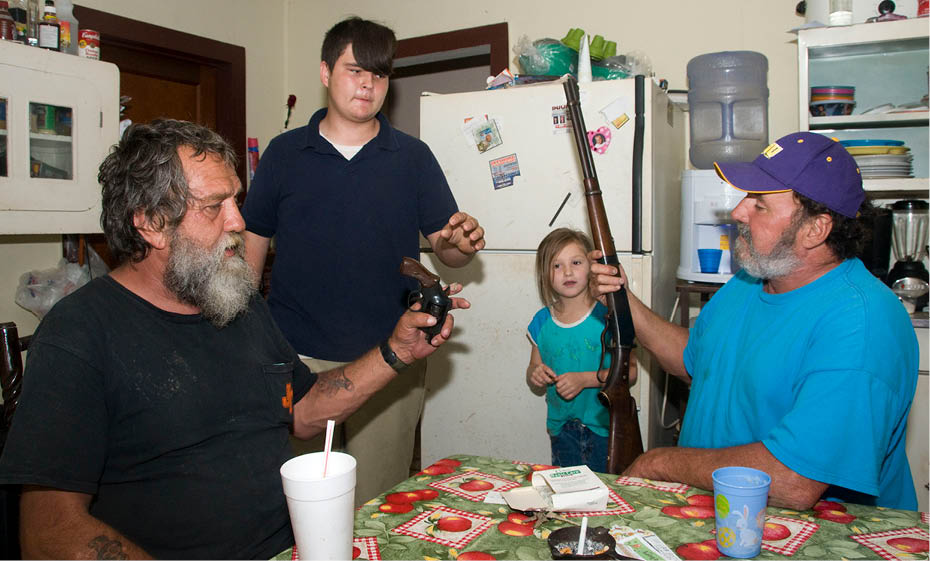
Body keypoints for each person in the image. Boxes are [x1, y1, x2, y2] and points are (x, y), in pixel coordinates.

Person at [0, 119, 469, 559]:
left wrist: (398, 350)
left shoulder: (237, 303)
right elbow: (47, 531)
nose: (238, 221)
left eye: (236, 201)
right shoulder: (79, 333)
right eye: (214, 206)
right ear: (151, 223)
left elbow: (303, 410)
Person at [591, 132, 918, 510]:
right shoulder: (752, 280)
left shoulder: (862, 324)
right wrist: (624, 301)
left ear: (816, 229)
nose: (738, 212)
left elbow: (793, 481)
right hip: (722, 515)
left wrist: (660, 463)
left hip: (822, 533)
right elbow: (697, 359)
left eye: (759, 204)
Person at [241, 16, 485, 504]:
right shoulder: (284, 154)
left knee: (378, 506)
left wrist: (461, 242)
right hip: (296, 360)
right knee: (298, 503)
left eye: (379, 73)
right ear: (326, 72)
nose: (368, 84)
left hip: (390, 359)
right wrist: (242, 338)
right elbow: (251, 248)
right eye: (355, 70)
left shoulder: (413, 158)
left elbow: (448, 250)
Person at [526, 228, 636, 473]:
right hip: (561, 430)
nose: (567, 272)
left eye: (576, 262)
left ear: (592, 267)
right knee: (567, 491)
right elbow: (533, 367)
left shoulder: (609, 316)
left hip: (605, 428)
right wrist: (536, 373)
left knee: (605, 492)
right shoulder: (541, 321)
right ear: (545, 274)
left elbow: (631, 372)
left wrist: (585, 380)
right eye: (557, 266)